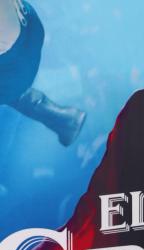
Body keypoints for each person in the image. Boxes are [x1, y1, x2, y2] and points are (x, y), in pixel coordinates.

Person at [0, 0, 86, 146]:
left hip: (16, 66)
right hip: (29, 24)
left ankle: (65, 120)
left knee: (7, 87)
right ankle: (65, 121)